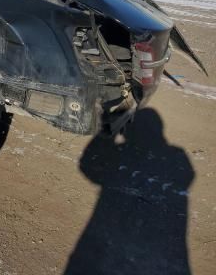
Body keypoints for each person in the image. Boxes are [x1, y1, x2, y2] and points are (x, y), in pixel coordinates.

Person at [64, 108, 194, 275]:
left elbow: (88, 165)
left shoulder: (123, 152)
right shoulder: (176, 156)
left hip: (109, 250)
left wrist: (108, 130)